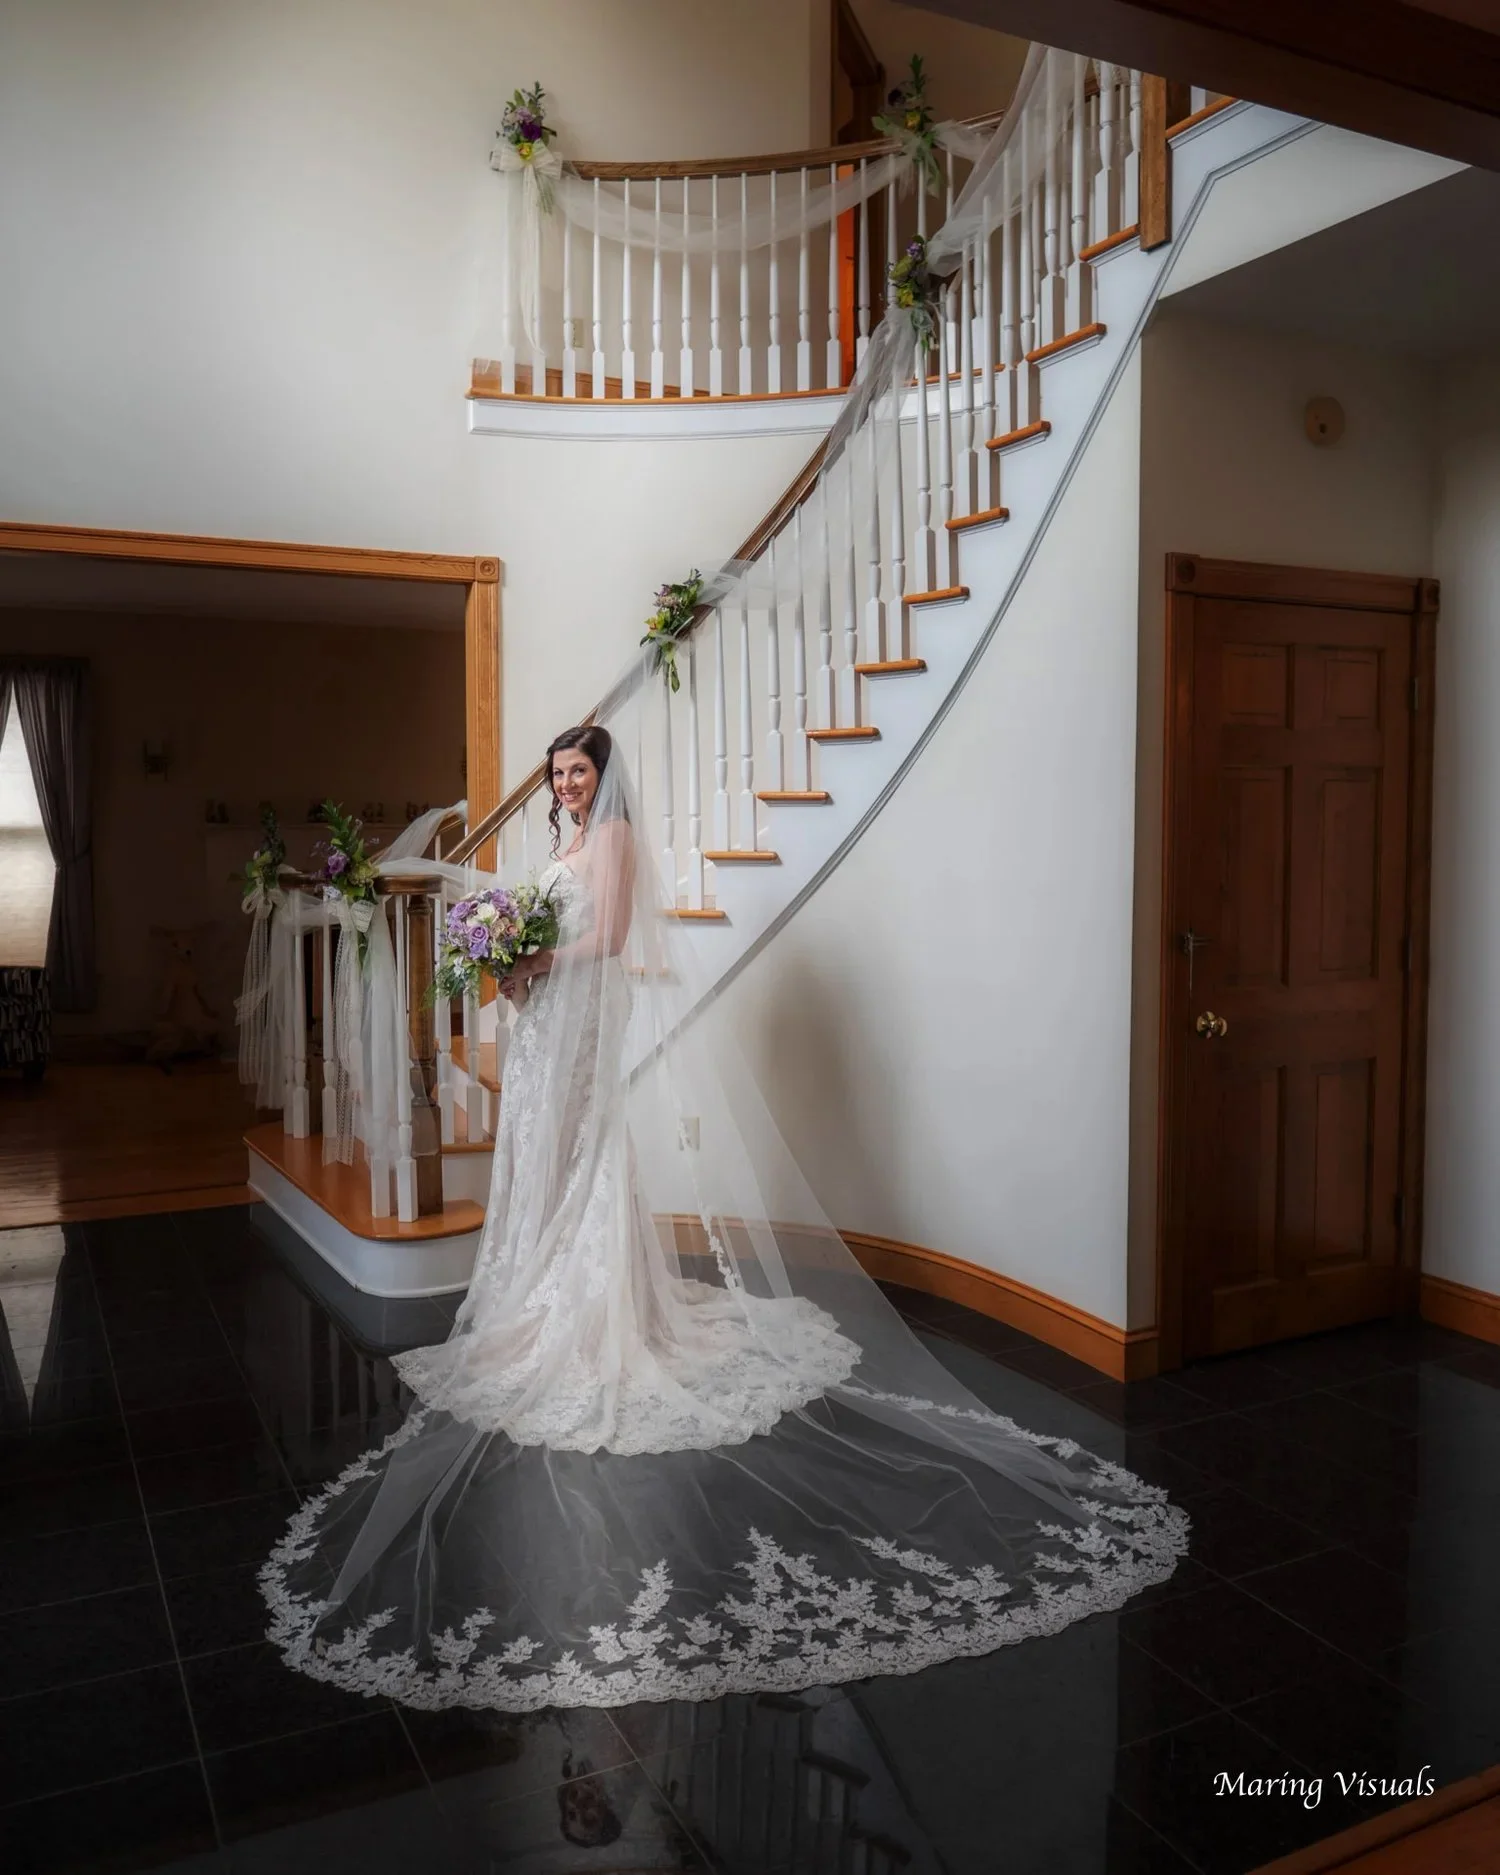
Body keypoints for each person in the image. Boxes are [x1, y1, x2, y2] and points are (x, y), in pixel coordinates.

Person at [261, 703, 1188, 1712]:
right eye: (558, 774)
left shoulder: (611, 837)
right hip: (546, 1019)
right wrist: (512, 965)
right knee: (542, 1150)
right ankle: (533, 1292)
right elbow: (554, 929)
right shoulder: (565, 839)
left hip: (583, 1008)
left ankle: (594, 1306)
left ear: (600, 778)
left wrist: (529, 961)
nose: (566, 786)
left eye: (577, 772)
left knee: (583, 1150)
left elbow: (608, 938)